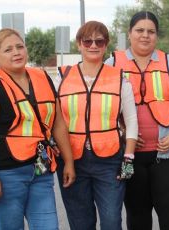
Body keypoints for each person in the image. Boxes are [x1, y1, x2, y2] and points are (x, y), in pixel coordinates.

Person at [106, 11, 169, 230]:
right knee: (137, 215)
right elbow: (103, 107)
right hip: (129, 156)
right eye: (140, 30)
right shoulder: (112, 64)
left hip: (168, 154)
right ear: (129, 33)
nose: (145, 36)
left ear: (157, 35)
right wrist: (124, 135)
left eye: (151, 31)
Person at [55, 21, 138, 230]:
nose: (93, 45)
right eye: (87, 40)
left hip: (110, 161)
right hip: (71, 159)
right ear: (78, 44)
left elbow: (131, 122)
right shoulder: (61, 77)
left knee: (111, 221)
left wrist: (128, 159)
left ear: (106, 44)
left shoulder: (119, 79)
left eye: (99, 41)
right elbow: (52, 120)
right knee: (81, 223)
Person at [0, 28, 75, 229]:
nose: (16, 52)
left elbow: (58, 123)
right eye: (8, 49)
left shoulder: (42, 77)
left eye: (20, 46)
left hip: (41, 171)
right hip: (7, 175)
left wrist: (69, 162)